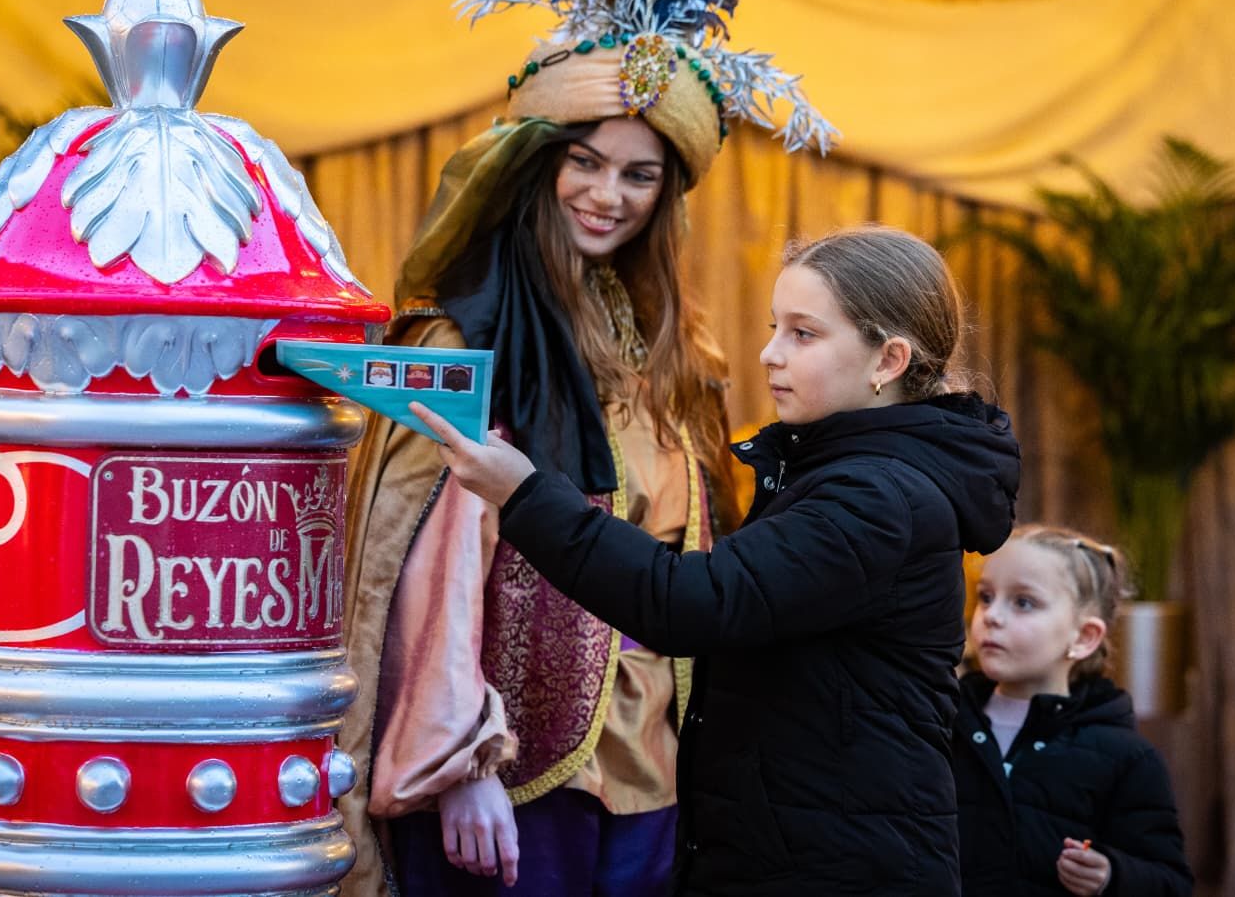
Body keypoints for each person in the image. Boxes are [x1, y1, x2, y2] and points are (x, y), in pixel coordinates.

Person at [337, 0, 836, 897]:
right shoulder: (460, 337)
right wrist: (458, 763)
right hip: (505, 788)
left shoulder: (667, 359)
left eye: (640, 175)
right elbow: (416, 574)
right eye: (585, 161)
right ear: (534, 166)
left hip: (647, 773)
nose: (608, 195)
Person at [412, 226, 1023, 896]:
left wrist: (523, 494)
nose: (769, 354)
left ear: (889, 360)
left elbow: (691, 602)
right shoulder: (843, 472)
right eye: (774, 327)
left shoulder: (878, 496)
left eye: (804, 334)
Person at [952, 526, 1193, 896]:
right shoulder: (941, 722)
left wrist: (1112, 875)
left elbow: (1170, 883)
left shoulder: (1127, 757)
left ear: (1083, 638)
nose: (991, 616)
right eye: (986, 597)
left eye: (1023, 602)